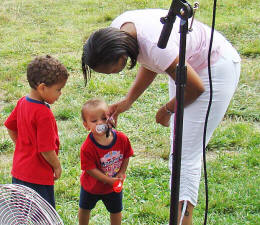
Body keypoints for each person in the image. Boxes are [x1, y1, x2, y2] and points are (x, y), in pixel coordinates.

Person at [81, 9, 241, 225]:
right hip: (186, 67)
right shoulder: (121, 30)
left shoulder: (154, 44)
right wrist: (128, 100)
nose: (112, 75)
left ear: (121, 55)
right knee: (179, 151)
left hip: (214, 67)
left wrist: (167, 110)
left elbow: (194, 88)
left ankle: (183, 221)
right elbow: (152, 61)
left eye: (112, 71)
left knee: (185, 155)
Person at [4, 55, 69, 208]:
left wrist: (21, 144)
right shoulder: (43, 114)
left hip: (19, 171)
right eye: (58, 89)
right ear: (42, 88)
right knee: (43, 215)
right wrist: (57, 165)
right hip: (38, 176)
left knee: (20, 214)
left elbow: (10, 126)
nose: (60, 93)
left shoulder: (23, 102)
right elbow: (46, 149)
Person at [79, 98, 134, 225]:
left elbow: (127, 154)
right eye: (94, 121)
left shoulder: (121, 139)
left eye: (104, 118)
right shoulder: (87, 147)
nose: (100, 123)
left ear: (111, 118)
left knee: (116, 210)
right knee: (85, 208)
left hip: (113, 187)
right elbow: (89, 169)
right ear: (86, 125)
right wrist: (108, 180)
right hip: (91, 187)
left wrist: (122, 172)